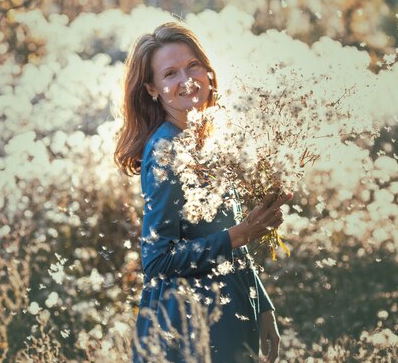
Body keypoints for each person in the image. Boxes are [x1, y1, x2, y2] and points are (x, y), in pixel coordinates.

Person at [115, 22, 291, 363]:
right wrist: (240, 235)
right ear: (153, 89)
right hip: (187, 328)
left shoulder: (209, 138)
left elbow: (224, 232)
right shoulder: (165, 151)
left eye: (192, 66)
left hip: (231, 312)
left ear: (207, 70)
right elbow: (157, 260)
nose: (187, 80)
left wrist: (262, 304)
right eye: (170, 74)